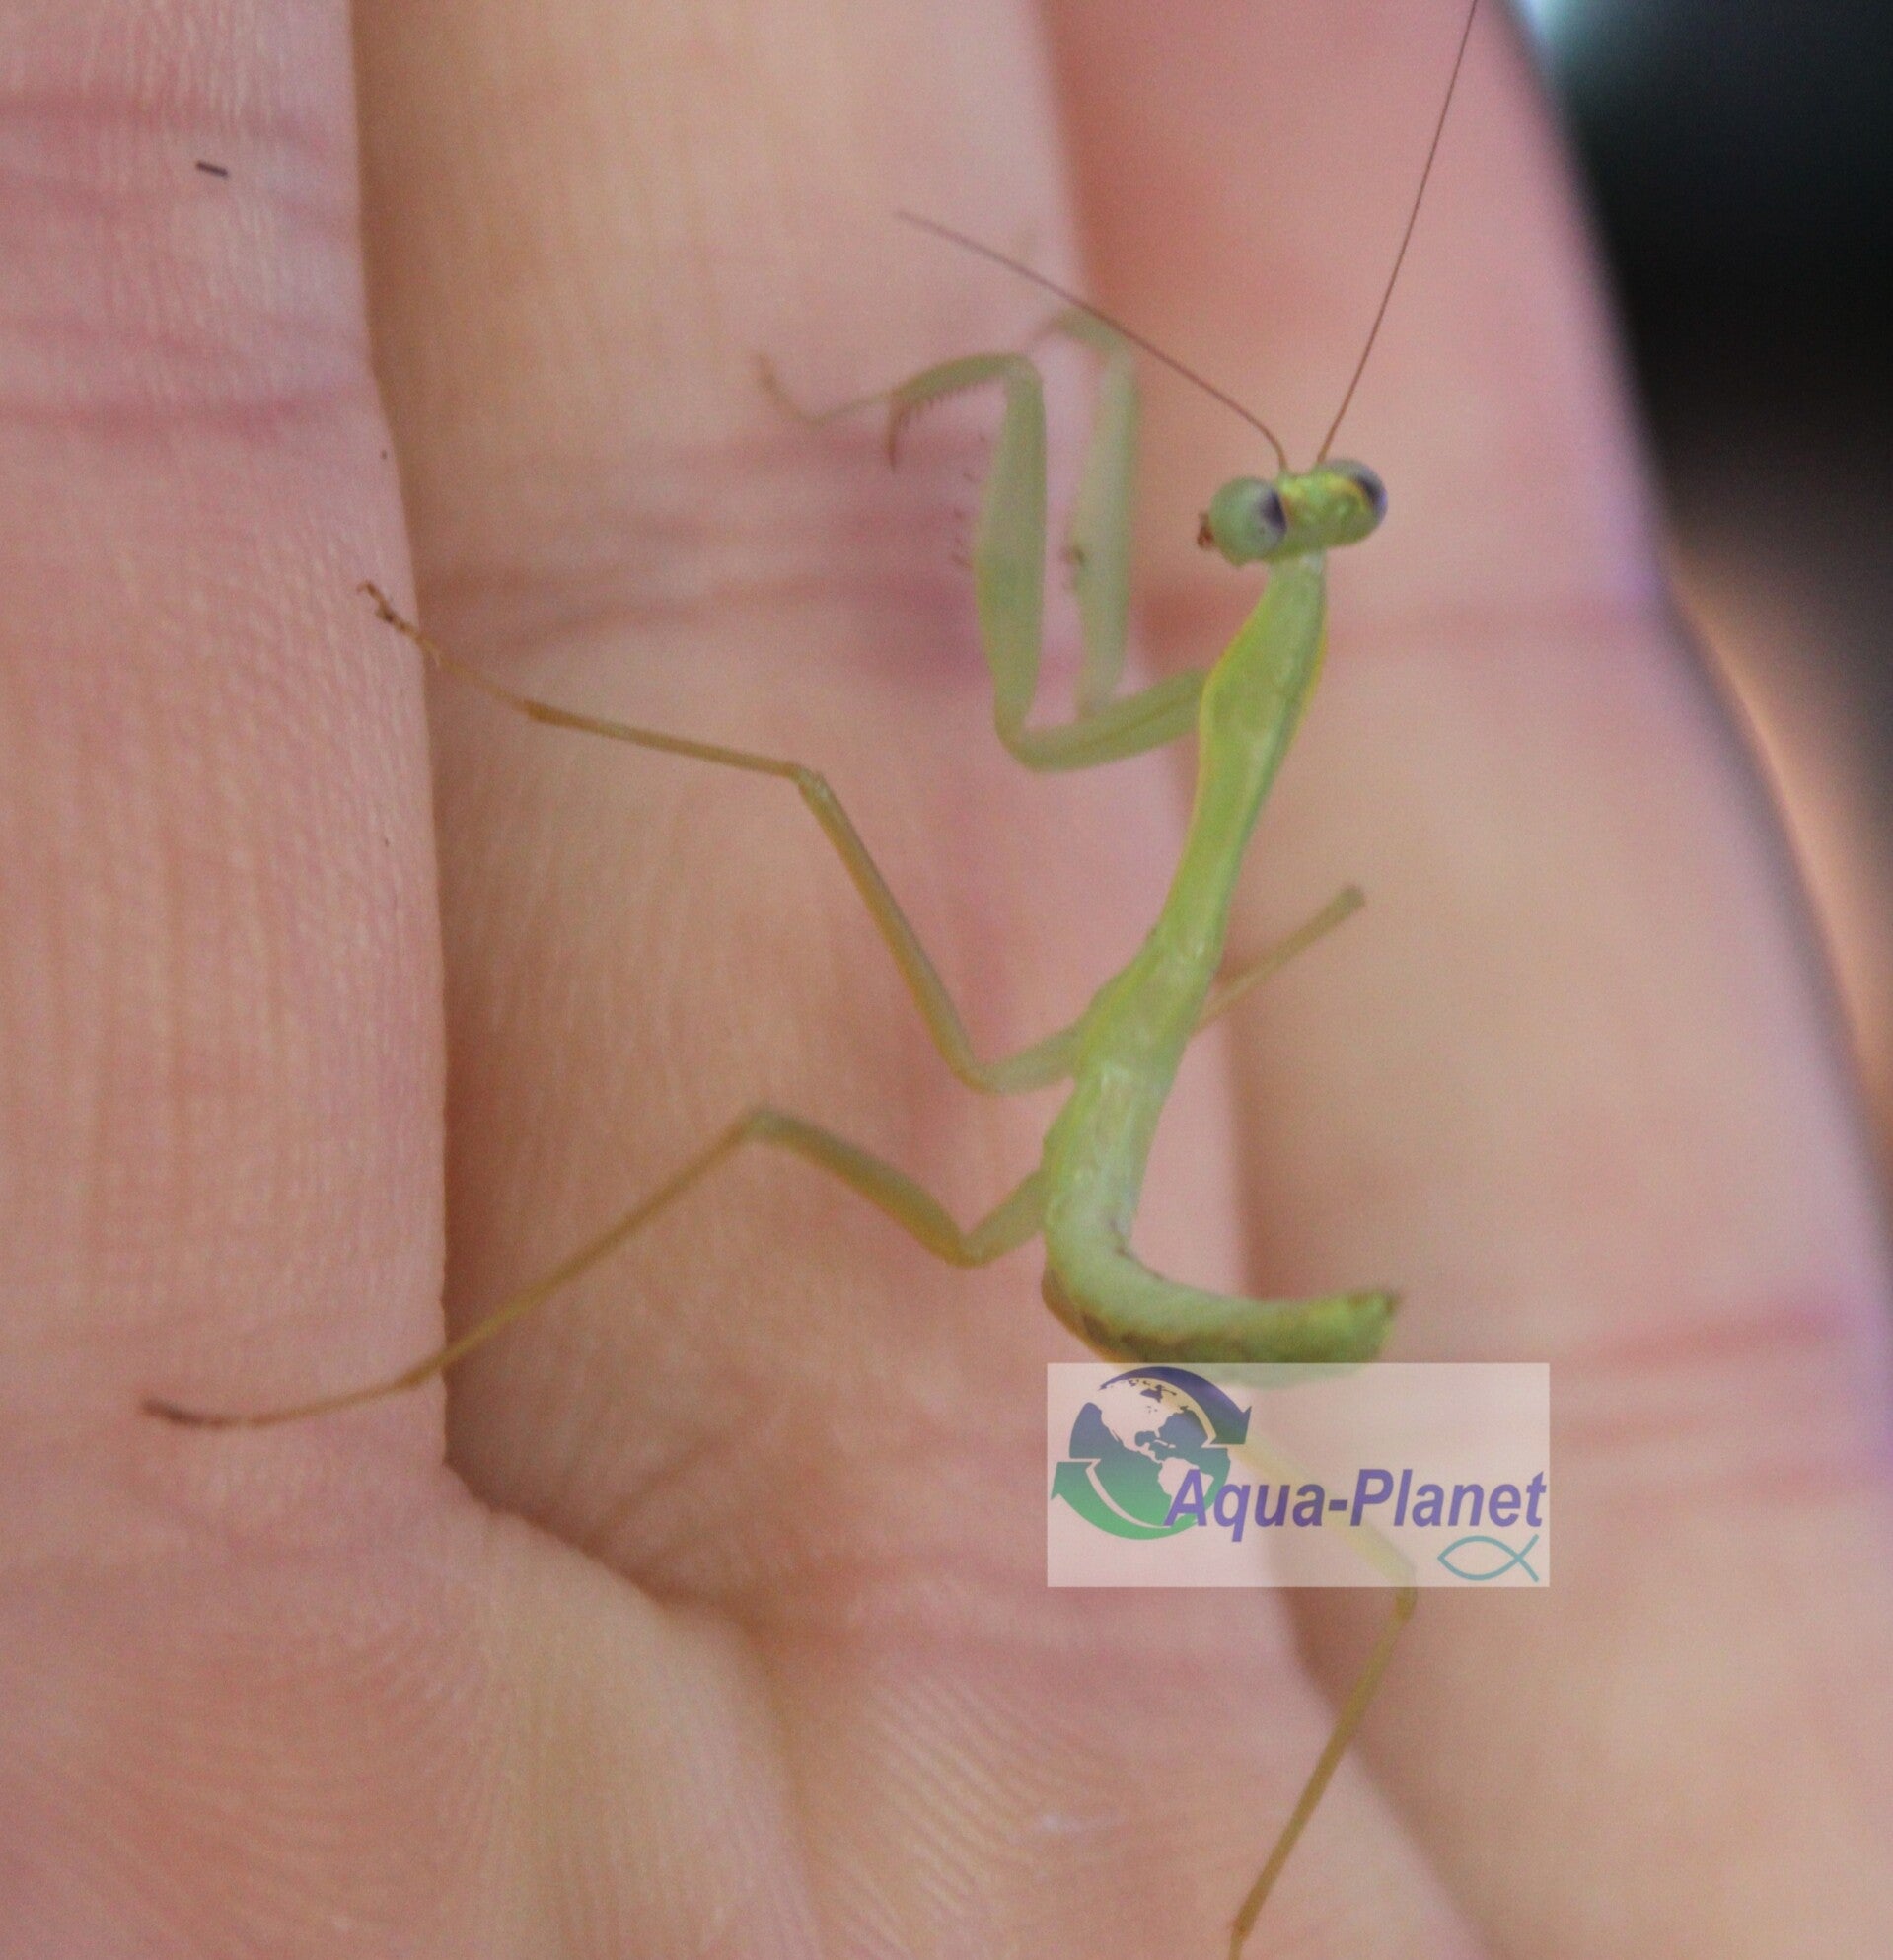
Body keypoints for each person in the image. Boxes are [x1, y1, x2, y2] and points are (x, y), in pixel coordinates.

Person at [6, 1, 1890, 1952]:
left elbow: (1056, 727)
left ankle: (405, 1360)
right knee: (1397, 1500)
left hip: (1090, 1258)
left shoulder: (1232, 727)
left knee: (792, 966)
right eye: (1282, 512)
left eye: (1280, 519)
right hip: (1109, 1255)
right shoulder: (1253, 726)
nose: (1260, 521)